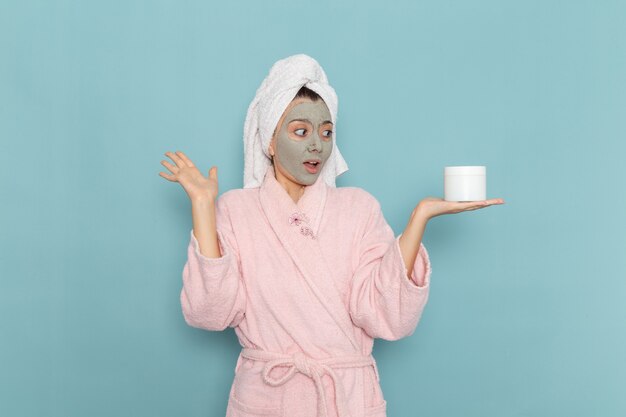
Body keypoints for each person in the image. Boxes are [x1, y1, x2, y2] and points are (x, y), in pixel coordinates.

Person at [159, 54, 504, 417]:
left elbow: (389, 317)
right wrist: (202, 205)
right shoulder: (236, 209)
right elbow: (210, 313)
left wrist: (420, 218)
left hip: (346, 398)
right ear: (270, 141)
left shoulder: (359, 208)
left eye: (326, 132)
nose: (317, 146)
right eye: (300, 131)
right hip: (268, 400)